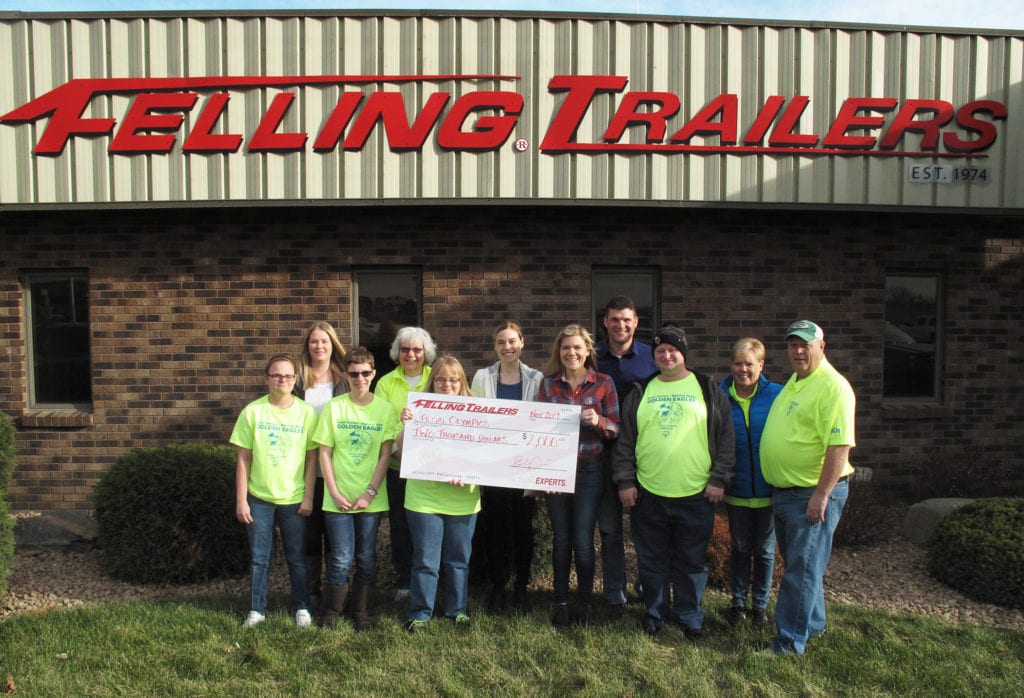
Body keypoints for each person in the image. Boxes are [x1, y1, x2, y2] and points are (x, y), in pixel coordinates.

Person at [612, 324, 734, 638]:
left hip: (697, 493)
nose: (667, 356)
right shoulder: (642, 391)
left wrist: (719, 478)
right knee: (651, 560)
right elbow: (625, 441)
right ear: (654, 356)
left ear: (683, 352)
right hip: (648, 492)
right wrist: (625, 482)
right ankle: (654, 614)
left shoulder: (706, 389)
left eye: (672, 350)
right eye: (660, 351)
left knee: (691, 562)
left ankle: (689, 618)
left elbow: (726, 439)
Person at [760, 320, 856, 656]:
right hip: (786, 492)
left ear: (821, 346)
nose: (798, 351)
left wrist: (821, 495)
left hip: (810, 493)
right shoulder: (797, 381)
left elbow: (840, 446)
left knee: (800, 571)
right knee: (802, 564)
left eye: (805, 344)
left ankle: (788, 643)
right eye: (792, 345)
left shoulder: (833, 387)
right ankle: (812, 625)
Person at [537, 324, 620, 627]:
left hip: (589, 470)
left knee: (583, 540)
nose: (571, 353)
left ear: (587, 351)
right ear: (558, 352)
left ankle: (583, 603)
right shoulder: (548, 385)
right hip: (556, 470)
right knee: (561, 539)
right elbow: (536, 430)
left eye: (576, 347)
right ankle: (561, 601)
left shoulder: (603, 383)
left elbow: (616, 428)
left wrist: (599, 421)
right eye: (565, 348)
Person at [311, 347, 398, 630]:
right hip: (337, 499)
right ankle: (330, 613)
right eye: (353, 374)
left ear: (373, 373)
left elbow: (386, 454)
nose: (359, 378)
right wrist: (334, 492)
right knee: (339, 558)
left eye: (365, 373)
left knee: (366, 558)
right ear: (346, 375)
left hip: (370, 498)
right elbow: (324, 452)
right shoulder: (335, 407)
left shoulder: (384, 410)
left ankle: (362, 613)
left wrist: (369, 492)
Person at [230, 353, 318, 628]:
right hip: (259, 499)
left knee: (297, 557)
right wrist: (241, 500)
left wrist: (308, 496)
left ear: (296, 380)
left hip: (293, 499)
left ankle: (302, 608)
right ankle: (257, 610)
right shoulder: (253, 411)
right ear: (266, 379)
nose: (283, 380)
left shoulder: (306, 412)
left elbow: (312, 458)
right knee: (259, 558)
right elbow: (243, 458)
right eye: (277, 375)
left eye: (288, 376)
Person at [399, 354, 482, 631]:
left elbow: (486, 455)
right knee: (425, 560)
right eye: (441, 379)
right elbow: (401, 450)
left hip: (463, 497)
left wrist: (468, 473)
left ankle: (456, 610)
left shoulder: (476, 412)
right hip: (424, 497)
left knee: (458, 561)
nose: (447, 384)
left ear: (462, 382)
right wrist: (406, 424)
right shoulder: (418, 408)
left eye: (453, 379)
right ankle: (420, 613)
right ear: (432, 380)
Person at [470, 321, 544, 612]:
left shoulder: (536, 378)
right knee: (496, 530)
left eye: (512, 341)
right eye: (501, 342)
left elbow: (543, 422)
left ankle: (521, 588)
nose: (507, 347)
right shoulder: (482, 377)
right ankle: (499, 588)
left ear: (522, 342)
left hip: (525, 468)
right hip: (493, 469)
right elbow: (474, 419)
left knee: (524, 530)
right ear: (495, 347)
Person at [594, 296, 658, 609]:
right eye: (614, 319)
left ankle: (647, 588)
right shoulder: (593, 357)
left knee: (645, 529)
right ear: (605, 322)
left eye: (626, 320)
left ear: (636, 323)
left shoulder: (652, 358)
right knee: (610, 530)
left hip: (642, 453)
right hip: (601, 452)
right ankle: (615, 594)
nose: (621, 325)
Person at [720, 337, 783, 628]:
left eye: (749, 364)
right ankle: (737, 604)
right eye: (737, 363)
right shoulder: (719, 395)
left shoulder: (777, 396)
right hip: (737, 489)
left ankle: (760, 606)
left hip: (769, 489)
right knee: (741, 548)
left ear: (761, 365)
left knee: (766, 552)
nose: (742, 369)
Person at [374, 326, 437, 600]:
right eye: (405, 349)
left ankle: (430, 579)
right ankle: (404, 580)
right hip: (398, 467)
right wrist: (401, 453)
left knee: (429, 526)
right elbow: (382, 425)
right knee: (400, 525)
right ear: (397, 352)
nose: (411, 354)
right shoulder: (386, 383)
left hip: (432, 469)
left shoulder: (436, 378)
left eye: (417, 349)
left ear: (426, 353)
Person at [293, 321, 348, 605]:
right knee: (311, 532)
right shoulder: (297, 380)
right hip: (305, 466)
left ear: (333, 345)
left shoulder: (345, 379)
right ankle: (312, 593)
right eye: (314, 341)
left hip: (340, 466)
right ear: (308, 346)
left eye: (324, 341)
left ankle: (336, 593)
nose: (319, 346)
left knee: (336, 534)